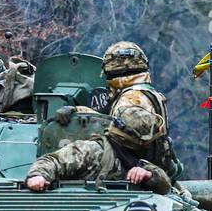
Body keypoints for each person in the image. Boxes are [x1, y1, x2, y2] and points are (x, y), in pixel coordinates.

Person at [25, 41, 181, 191]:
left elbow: (163, 182)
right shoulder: (95, 151)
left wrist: (148, 175)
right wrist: (38, 176)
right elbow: (54, 161)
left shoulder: (132, 101)